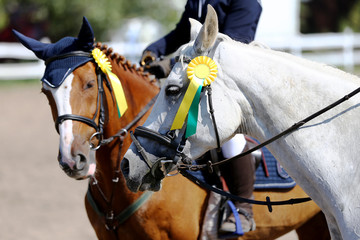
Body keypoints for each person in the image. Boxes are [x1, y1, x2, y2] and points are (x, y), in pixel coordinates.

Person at [140, 0, 262, 234]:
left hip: (234, 82)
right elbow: (181, 32)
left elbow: (230, 46)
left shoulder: (245, 3)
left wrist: (172, 63)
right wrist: (154, 50)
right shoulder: (197, 1)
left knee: (228, 133)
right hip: (203, 81)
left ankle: (244, 206)